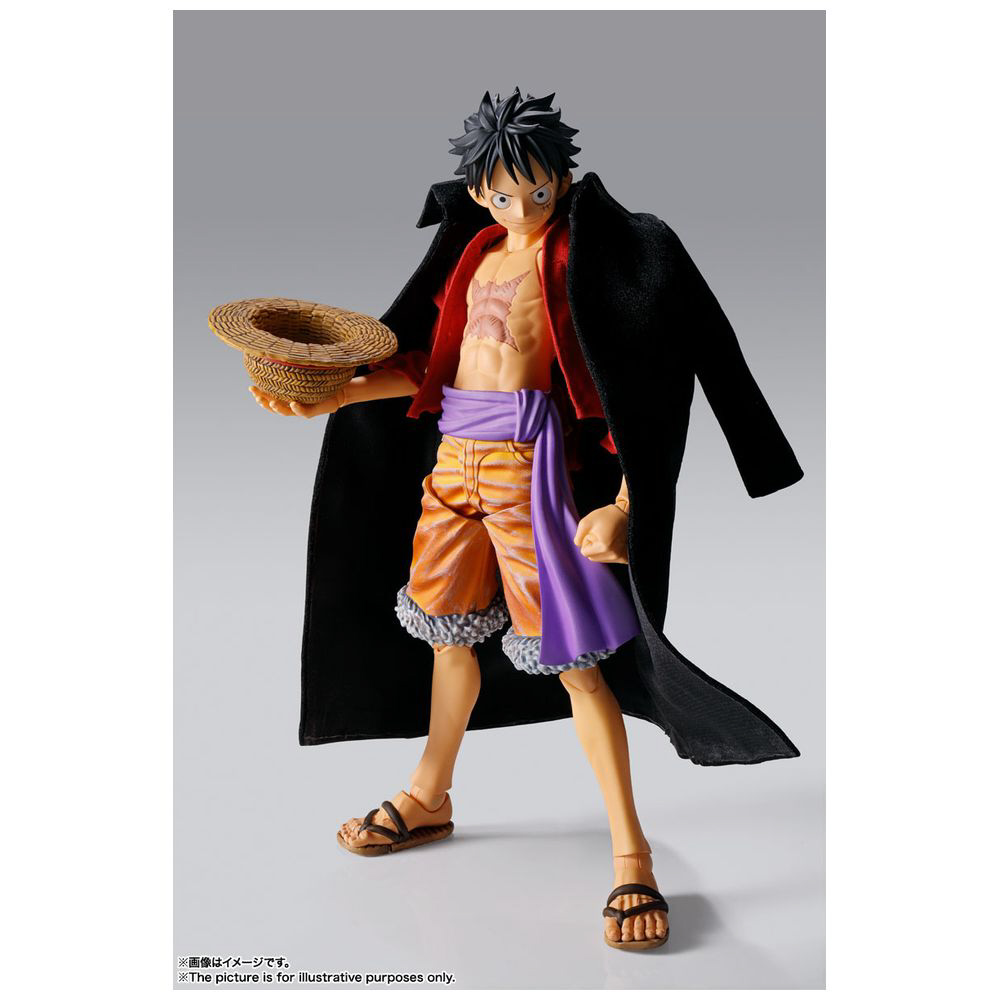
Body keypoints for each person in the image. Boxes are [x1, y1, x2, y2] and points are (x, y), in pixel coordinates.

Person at [251, 89, 802, 951]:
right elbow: (433, 371)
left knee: (578, 663)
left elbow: (647, 389)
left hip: (525, 470)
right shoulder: (472, 257)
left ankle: (631, 853)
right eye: (505, 194)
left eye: (539, 191)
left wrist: (626, 505)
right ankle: (430, 795)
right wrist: (339, 398)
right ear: (479, 192)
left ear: (564, 182)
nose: (523, 207)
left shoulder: (591, 262)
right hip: (452, 467)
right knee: (446, 636)